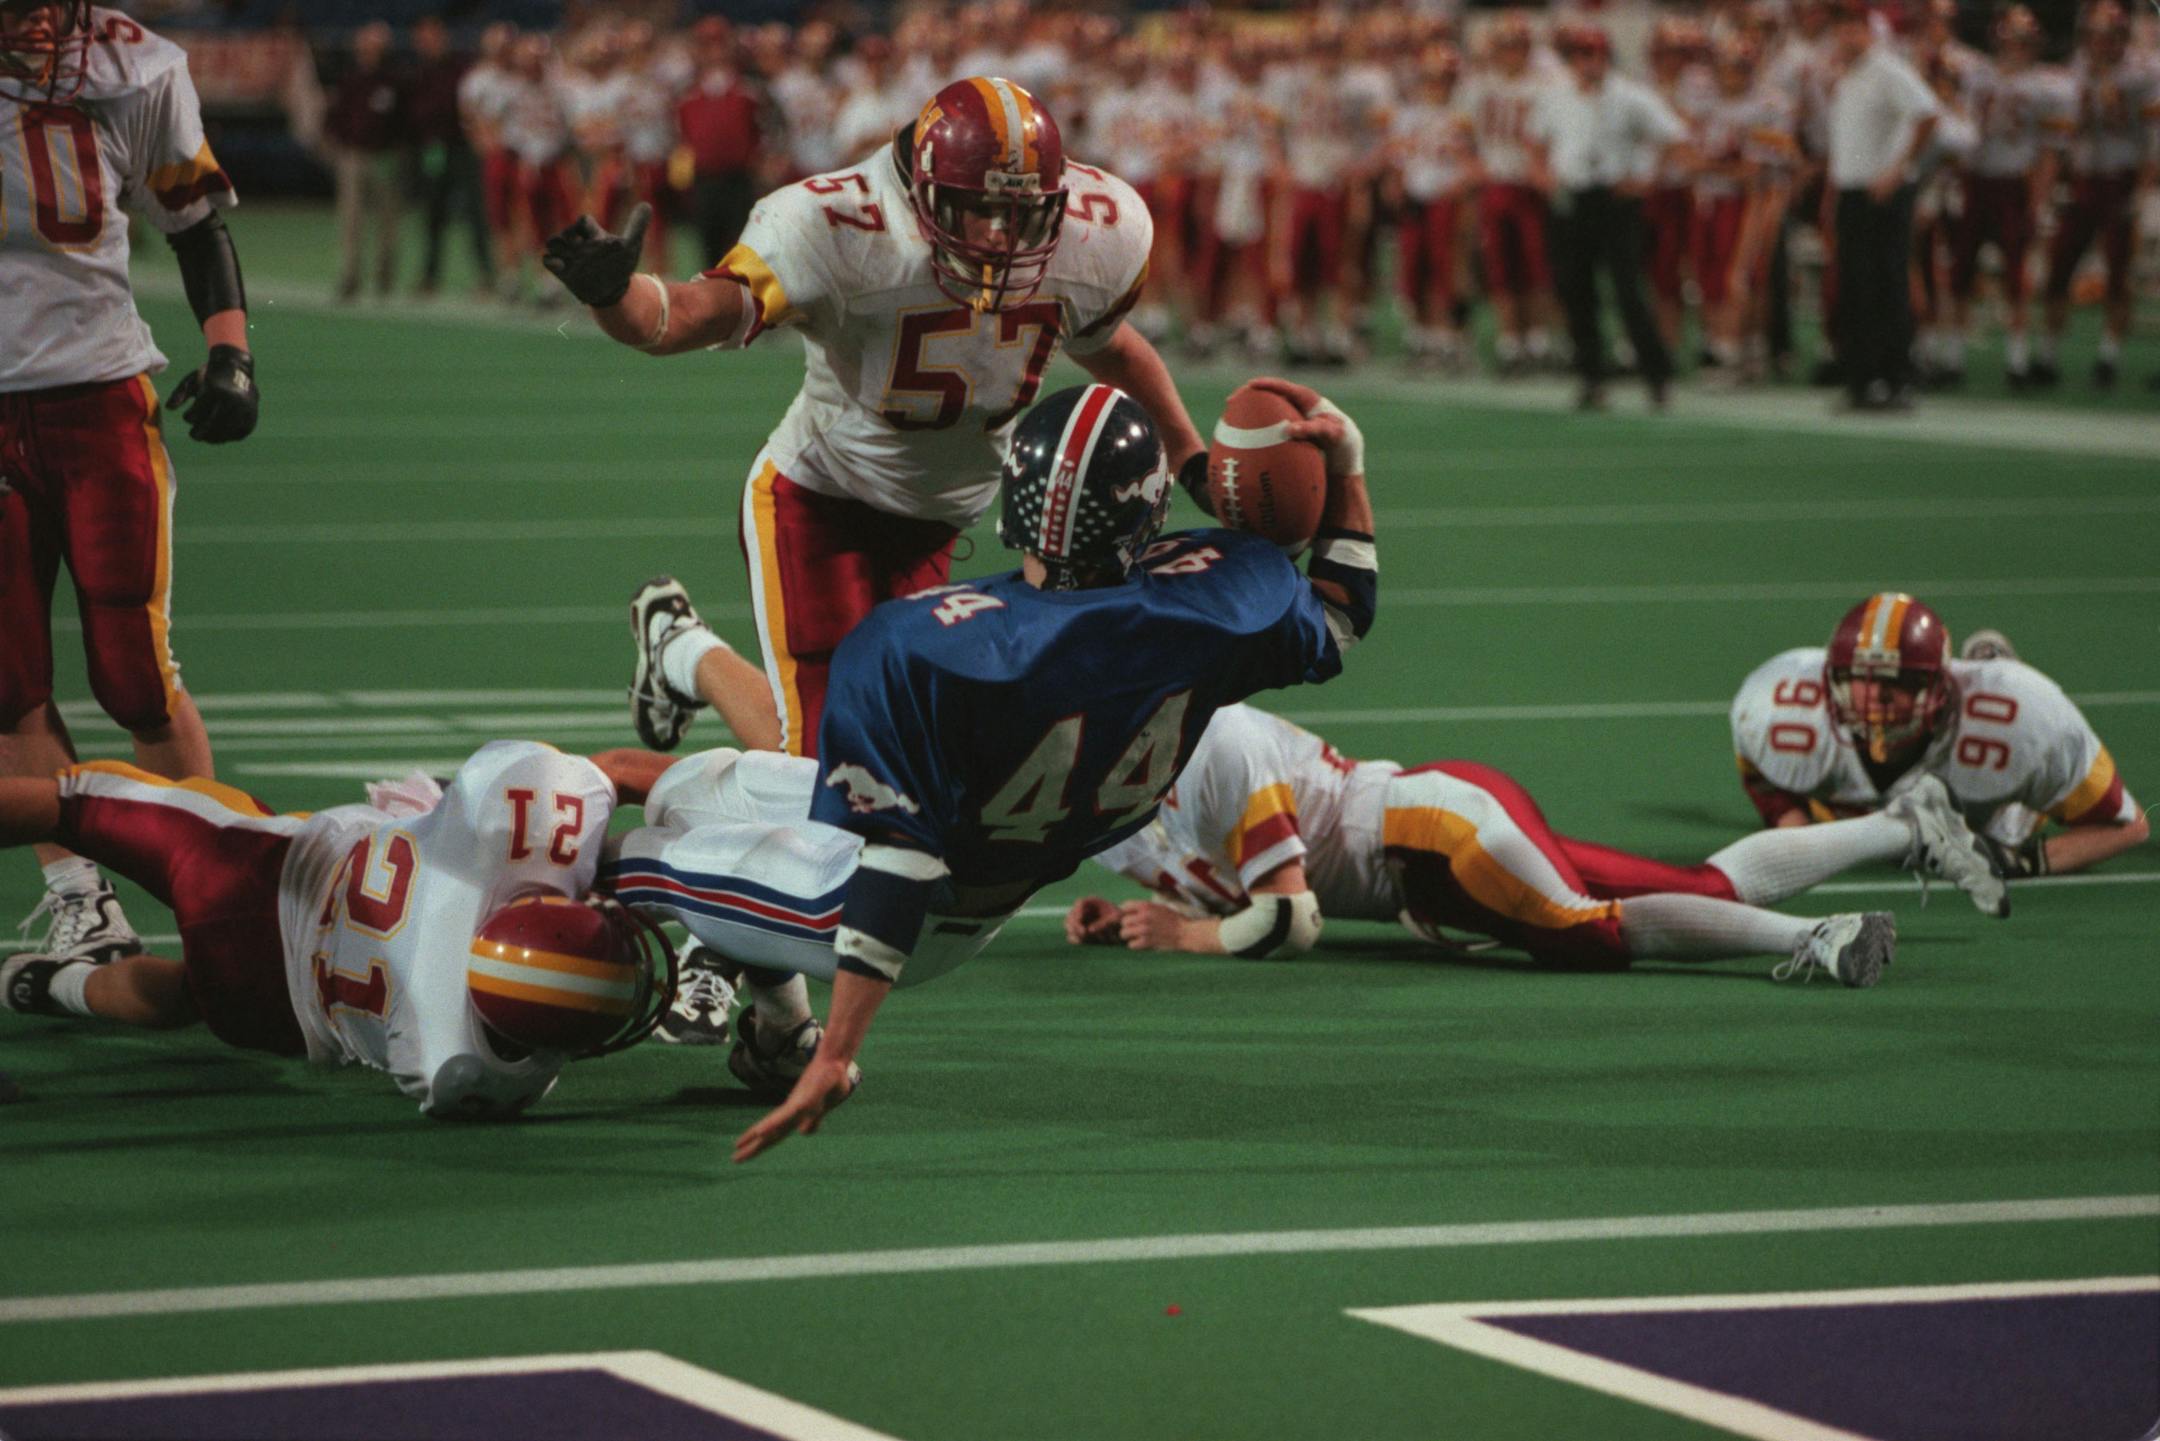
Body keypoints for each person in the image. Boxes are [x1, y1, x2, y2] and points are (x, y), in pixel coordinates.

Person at [612, 379, 1375, 1160]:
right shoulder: (1219, 602)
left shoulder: (926, 645)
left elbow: (897, 863)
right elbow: (1343, 611)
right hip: (989, 887)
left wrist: (842, 1051)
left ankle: (511, 1021)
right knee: (691, 786)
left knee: (632, 858)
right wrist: (1346, 466)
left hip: (898, 912)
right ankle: (779, 1035)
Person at [544, 76, 1204, 762]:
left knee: (895, 753)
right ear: (924, 191)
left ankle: (681, 646)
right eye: (975, 209)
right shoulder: (836, 226)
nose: (998, 236)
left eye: (1020, 214)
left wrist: (1192, 461)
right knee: (829, 772)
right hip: (821, 499)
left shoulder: (1098, 232)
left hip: (939, 520)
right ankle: (638, 762)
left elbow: (1111, 346)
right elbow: (684, 316)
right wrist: (613, 295)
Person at [1065, 702, 2014, 984]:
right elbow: (1223, 885)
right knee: (1697, 885)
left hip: (1433, 833)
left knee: (1591, 933)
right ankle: (1906, 821)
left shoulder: (1217, 735)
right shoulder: (1106, 815)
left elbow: (1289, 918)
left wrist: (1189, 937)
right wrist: (1142, 915)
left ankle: (1816, 939)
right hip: (1424, 877)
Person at [0, 743, 675, 1118]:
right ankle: (48, 984)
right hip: (275, 1013)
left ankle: (59, 974)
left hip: (253, 871)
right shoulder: (471, 1069)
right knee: (183, 996)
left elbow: (618, 768)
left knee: (67, 801)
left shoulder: (522, 824)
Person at [2, 0, 259, 967]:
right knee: (9, 683)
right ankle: (78, 897)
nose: (34, 26)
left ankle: (222, 886)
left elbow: (194, 223)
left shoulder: (136, 67)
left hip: (98, 394)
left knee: (136, 675)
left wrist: (231, 353)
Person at [1732, 593, 2148, 884]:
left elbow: (2126, 825)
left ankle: (1995, 667)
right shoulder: (1781, 708)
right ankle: (1986, 663)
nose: (1876, 698)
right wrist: (1793, 828)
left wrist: (2024, 861)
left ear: (1937, 687)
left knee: (2011, 713)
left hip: (1991, 827)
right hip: (1862, 821)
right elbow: (1756, 764)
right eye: (1860, 680)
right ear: (1831, 679)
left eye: (1901, 682)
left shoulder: (2026, 720)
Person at [1528, 23, 1689, 411]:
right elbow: (1534, 142)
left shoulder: (1630, 96)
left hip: (1615, 201)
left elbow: (1675, 135)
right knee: (1575, 290)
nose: (1588, 63)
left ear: (1606, 58)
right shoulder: (1554, 96)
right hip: (1572, 197)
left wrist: (1646, 180)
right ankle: (1591, 377)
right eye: (1581, 55)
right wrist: (1545, 179)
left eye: (1595, 55)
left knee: (1628, 291)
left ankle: (1657, 377)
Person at [2034, 0, 2158, 390]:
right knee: (2059, 269)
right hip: (2084, 179)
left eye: (2106, 37)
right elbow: (2066, 132)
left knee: (2119, 273)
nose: (2098, 45)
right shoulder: (2077, 69)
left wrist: (2141, 191)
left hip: (2120, 178)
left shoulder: (2144, 73)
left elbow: (2152, 138)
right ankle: (2048, 353)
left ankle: (2108, 357)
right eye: (2093, 36)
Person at [1823, 0, 1940, 411]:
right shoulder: (1845, 74)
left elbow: (1927, 114)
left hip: (1884, 193)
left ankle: (1897, 379)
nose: (1845, 35)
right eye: (1840, 27)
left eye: (1853, 27)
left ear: (1869, 30)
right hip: (1853, 191)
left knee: (1888, 285)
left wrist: (1897, 169)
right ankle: (1862, 379)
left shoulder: (1887, 69)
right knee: (1855, 288)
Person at [407, 13, 492, 298]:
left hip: (462, 149)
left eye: (431, 34)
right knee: (432, 216)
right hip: (432, 151)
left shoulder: (461, 67)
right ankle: (430, 278)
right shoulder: (416, 71)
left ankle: (485, 276)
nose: (426, 41)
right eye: (421, 36)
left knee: (475, 214)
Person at [325, 20, 406, 301]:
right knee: (351, 219)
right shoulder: (350, 79)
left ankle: (384, 279)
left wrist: (398, 149)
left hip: (384, 156)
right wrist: (339, 144)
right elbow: (334, 116)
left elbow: (404, 120)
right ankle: (350, 277)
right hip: (354, 156)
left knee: (387, 221)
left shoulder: (393, 80)